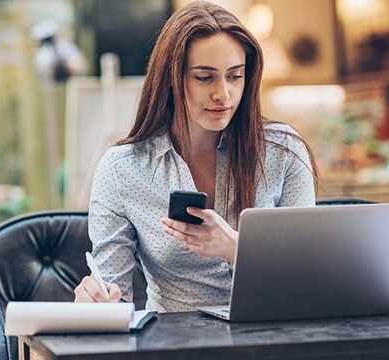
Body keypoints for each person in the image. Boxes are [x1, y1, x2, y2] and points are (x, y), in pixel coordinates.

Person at [74, 0, 318, 312]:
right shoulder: (124, 169)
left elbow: (308, 275)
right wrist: (95, 300)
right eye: (205, 77)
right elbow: (113, 297)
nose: (223, 94)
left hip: (272, 333)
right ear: (171, 79)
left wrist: (234, 248)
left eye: (235, 76)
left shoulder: (283, 150)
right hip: (175, 343)